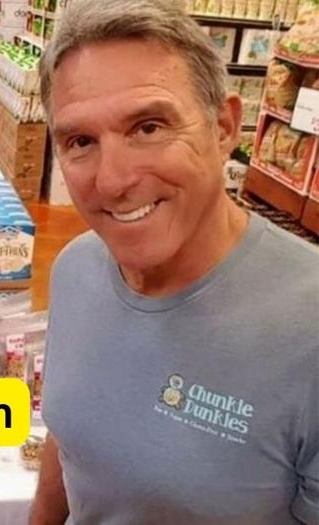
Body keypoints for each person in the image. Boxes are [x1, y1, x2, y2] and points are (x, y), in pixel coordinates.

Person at [29, 1, 318, 524]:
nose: (112, 181)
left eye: (148, 127)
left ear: (224, 127)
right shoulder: (75, 269)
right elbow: (68, 438)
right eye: (81, 141)